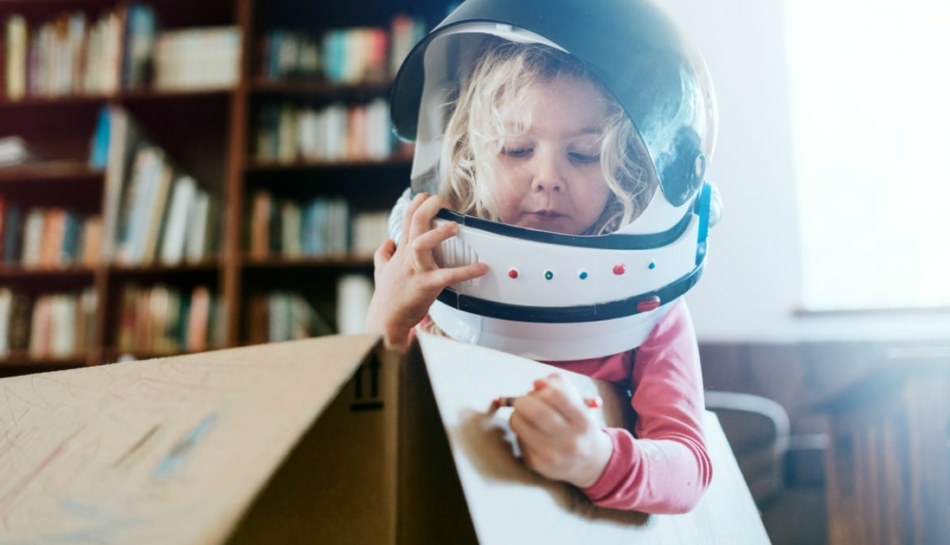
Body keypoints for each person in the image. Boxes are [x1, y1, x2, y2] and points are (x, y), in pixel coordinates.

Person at [366, 0, 720, 514]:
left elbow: (688, 469)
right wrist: (386, 319)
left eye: (583, 154)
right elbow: (374, 424)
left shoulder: (649, 306)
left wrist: (594, 459)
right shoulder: (432, 278)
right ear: (472, 154)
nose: (547, 177)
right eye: (515, 148)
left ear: (630, 169)